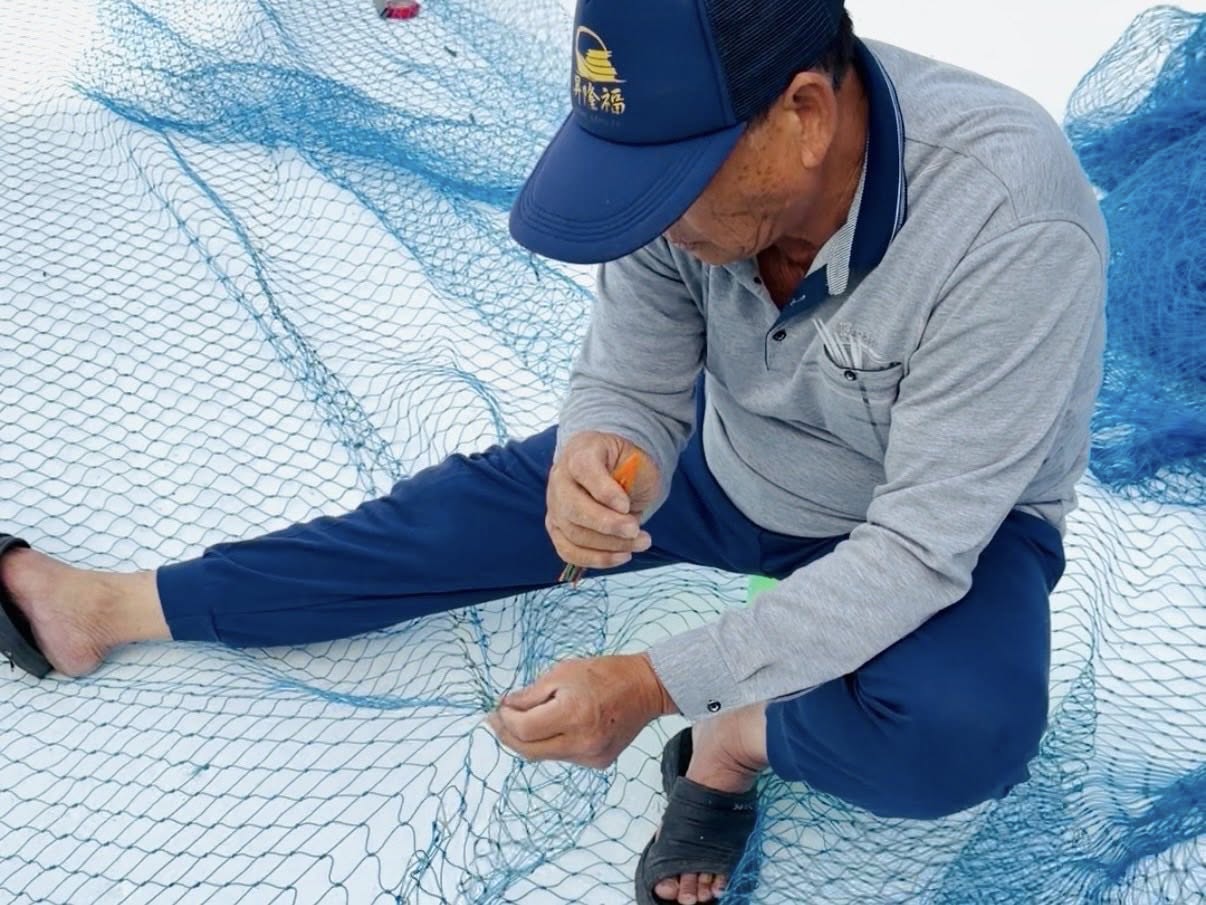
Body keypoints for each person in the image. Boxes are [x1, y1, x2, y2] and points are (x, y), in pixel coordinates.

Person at [0, 0, 1107, 902]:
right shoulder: (678, 161)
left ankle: (733, 744)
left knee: (965, 732)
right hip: (733, 461)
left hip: (944, 524)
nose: (652, 221)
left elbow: (918, 549)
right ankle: (105, 606)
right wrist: (606, 450)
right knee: (441, 519)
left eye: (671, 192)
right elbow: (633, 377)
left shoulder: (1010, 215)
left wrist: (655, 683)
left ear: (804, 115)